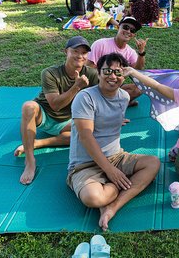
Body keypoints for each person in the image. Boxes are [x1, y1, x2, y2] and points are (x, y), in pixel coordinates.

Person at [67, 53, 160, 231]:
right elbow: (86, 136)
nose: (112, 76)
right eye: (107, 71)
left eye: (118, 72)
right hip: (85, 164)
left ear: (124, 75)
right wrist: (111, 172)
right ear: (99, 72)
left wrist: (113, 168)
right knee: (93, 198)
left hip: (116, 157)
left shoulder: (124, 97)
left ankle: (113, 207)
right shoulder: (85, 98)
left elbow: (110, 118)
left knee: (153, 163)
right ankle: (117, 186)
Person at [16, 36, 99, 185]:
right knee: (28, 107)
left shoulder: (92, 74)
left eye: (84, 53)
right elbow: (55, 105)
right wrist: (76, 87)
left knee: (92, 130)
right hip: (45, 115)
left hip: (68, 120)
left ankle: (38, 143)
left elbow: (102, 97)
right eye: (75, 51)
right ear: (65, 51)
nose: (80, 56)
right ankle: (30, 160)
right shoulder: (50, 73)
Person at [87, 16, 147, 103]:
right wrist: (107, 80)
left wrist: (141, 52)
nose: (128, 31)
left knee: (139, 89)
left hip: (115, 85)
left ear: (134, 35)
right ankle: (113, 103)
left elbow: (137, 71)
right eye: (125, 27)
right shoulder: (100, 44)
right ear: (118, 27)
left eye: (132, 30)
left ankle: (114, 103)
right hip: (97, 85)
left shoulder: (130, 52)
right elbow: (89, 68)